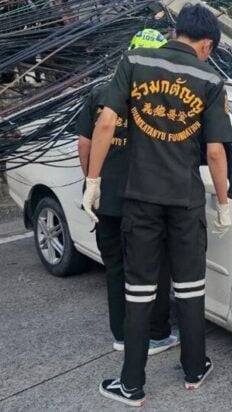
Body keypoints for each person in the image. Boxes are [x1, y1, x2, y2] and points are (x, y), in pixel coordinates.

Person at [84, 4, 232, 406]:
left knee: (139, 291)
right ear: (205, 44)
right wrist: (222, 203)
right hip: (184, 201)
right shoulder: (210, 79)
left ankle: (131, 385)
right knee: (190, 288)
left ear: (176, 31)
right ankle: (194, 370)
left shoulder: (133, 61)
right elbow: (216, 152)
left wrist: (93, 180)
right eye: (210, 49)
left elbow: (105, 123)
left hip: (141, 199)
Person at [76, 29, 180, 358]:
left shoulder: (100, 92)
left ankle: (121, 336)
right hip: (146, 201)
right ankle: (157, 335)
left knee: (116, 270)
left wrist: (93, 180)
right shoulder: (162, 99)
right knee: (155, 269)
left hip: (105, 200)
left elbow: (84, 144)